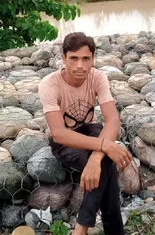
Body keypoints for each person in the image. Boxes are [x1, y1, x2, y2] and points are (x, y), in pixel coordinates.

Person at [39, 32, 132, 235]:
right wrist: (105, 146)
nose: (80, 65)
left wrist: (96, 157)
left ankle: (80, 228)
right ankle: (107, 230)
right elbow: (58, 133)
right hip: (65, 140)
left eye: (86, 59)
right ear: (63, 59)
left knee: (102, 158)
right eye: (74, 58)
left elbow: (113, 119)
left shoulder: (98, 77)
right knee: (109, 163)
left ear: (92, 60)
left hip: (89, 131)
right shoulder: (49, 84)